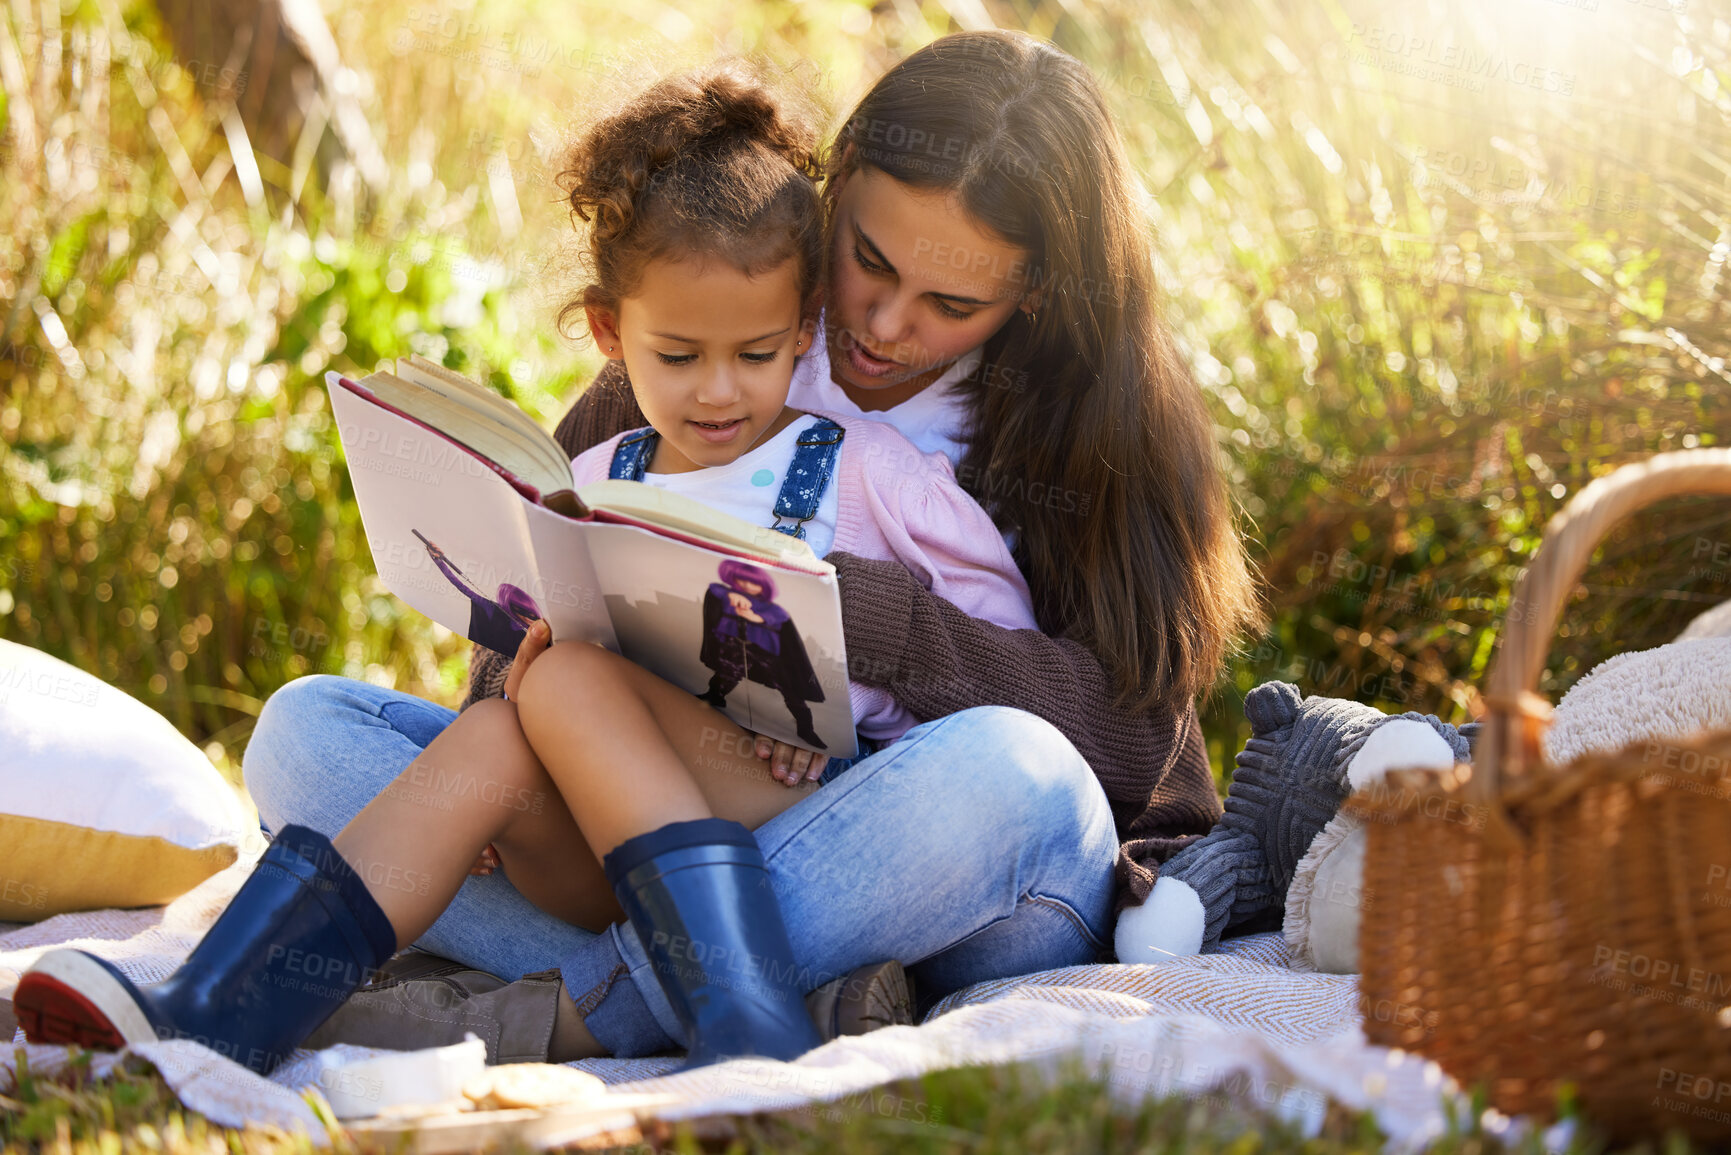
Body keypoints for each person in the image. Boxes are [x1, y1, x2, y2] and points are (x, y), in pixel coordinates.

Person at [232, 28, 1259, 1064]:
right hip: (650, 839)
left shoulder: (1088, 433)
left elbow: (1138, 748)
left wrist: (877, 628)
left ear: (1035, 291)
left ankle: (574, 1013)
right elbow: (542, 577)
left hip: (937, 867)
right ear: (837, 188)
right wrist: (512, 686)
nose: (886, 326)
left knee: (1015, 770)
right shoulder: (704, 348)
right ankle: (808, 998)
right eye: (867, 261)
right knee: (308, 735)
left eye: (952, 303)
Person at [13, 59, 1040, 1072]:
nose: (719, 391)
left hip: (799, 805)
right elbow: (523, 643)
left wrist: (856, 720)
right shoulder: (586, 478)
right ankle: (219, 1009)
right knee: (458, 724)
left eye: (759, 355)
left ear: (803, 327)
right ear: (609, 332)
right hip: (607, 837)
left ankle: (715, 1014)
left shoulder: (874, 475)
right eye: (678, 357)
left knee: (569, 686)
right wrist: (520, 663)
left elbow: (999, 655)